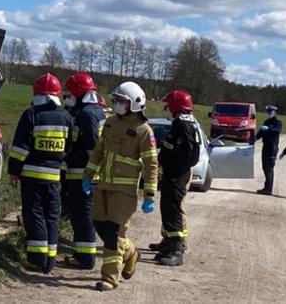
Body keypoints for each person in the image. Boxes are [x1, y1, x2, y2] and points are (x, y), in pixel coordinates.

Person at [83, 81, 158, 291]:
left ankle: (109, 278)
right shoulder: (110, 123)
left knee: (114, 233)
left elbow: (151, 164)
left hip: (124, 192)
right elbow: (99, 151)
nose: (117, 104)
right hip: (104, 186)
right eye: (116, 100)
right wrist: (88, 175)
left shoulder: (144, 131)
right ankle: (131, 253)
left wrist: (149, 194)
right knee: (100, 225)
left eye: (121, 101)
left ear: (134, 103)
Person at [8, 73, 75, 273]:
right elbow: (69, 146)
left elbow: (20, 147)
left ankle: (37, 259)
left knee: (34, 214)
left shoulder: (31, 114)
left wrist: (13, 170)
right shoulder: (66, 117)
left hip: (32, 176)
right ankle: (49, 261)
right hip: (55, 177)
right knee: (51, 216)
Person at [58, 73, 106, 270]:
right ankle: (82, 253)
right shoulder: (97, 110)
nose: (66, 98)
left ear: (78, 93)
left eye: (68, 94)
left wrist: (89, 174)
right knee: (83, 214)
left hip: (83, 173)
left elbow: (92, 147)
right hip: (88, 173)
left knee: (82, 214)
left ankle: (85, 257)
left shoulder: (86, 114)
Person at [149, 90, 200, 267]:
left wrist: (172, 171)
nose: (166, 109)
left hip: (177, 174)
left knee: (174, 210)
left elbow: (186, 154)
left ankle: (176, 251)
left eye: (168, 105)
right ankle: (169, 244)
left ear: (175, 106)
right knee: (167, 208)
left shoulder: (183, 125)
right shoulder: (184, 122)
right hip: (174, 173)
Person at [252, 105, 283, 195]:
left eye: (270, 112)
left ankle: (268, 189)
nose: (269, 113)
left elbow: (277, 131)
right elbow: (260, 133)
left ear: (274, 112)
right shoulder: (266, 121)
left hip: (272, 147)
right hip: (265, 146)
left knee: (269, 168)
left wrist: (269, 128)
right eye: (268, 112)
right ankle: (266, 187)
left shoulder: (278, 122)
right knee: (265, 167)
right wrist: (254, 139)